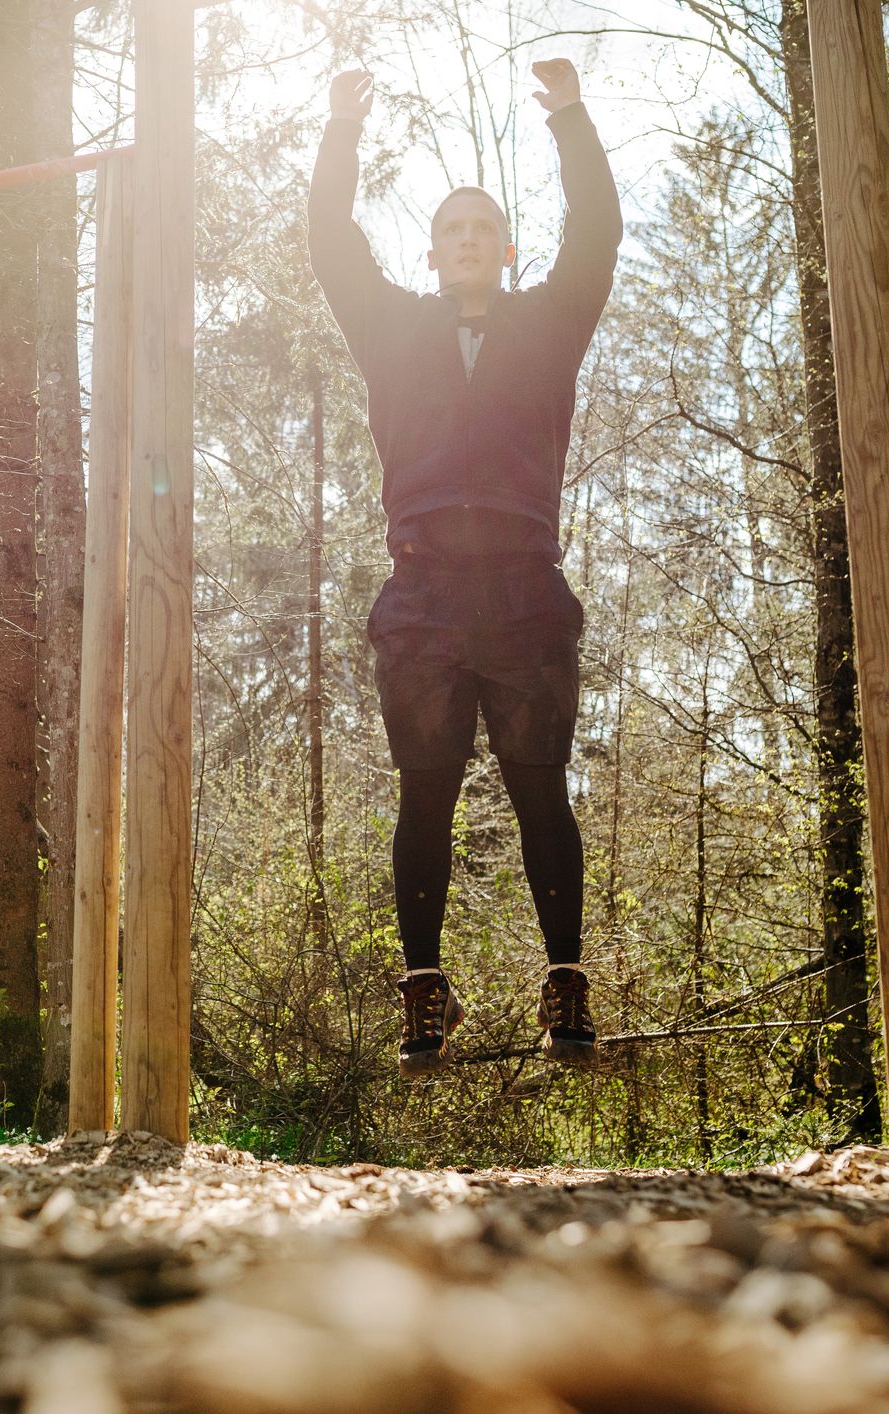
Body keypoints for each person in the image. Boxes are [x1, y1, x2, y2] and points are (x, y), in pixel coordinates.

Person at [307, 59, 622, 1075]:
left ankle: (566, 982)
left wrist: (570, 118)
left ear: (506, 249)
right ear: (435, 255)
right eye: (452, 229)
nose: (469, 240)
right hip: (427, 589)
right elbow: (329, 243)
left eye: (484, 227)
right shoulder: (393, 328)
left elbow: (598, 233)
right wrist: (342, 128)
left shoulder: (548, 325)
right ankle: (423, 994)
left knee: (542, 792)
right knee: (425, 794)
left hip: (526, 589)